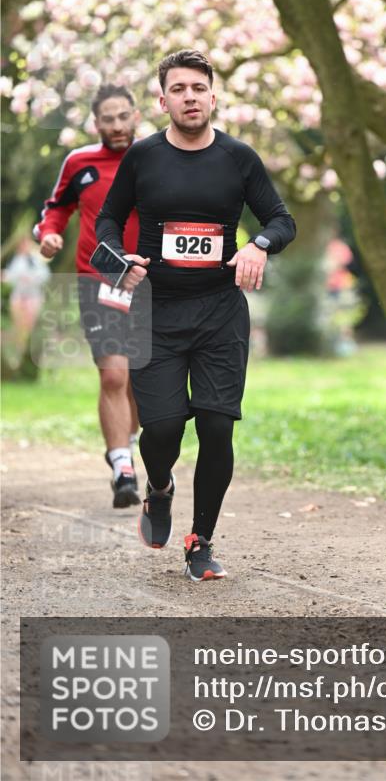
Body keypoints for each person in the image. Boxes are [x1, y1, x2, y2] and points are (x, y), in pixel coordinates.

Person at [96, 49, 296, 582]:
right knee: (161, 428)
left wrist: (258, 245)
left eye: (199, 88)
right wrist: (120, 262)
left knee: (216, 424)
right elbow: (108, 222)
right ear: (163, 101)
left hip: (220, 313)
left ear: (213, 97)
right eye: (179, 89)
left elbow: (281, 220)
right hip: (155, 312)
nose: (190, 97)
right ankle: (159, 486)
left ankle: (200, 541)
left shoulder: (238, 158)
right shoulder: (143, 157)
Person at [34, 84, 143, 508]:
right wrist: (49, 234)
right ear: (96, 123)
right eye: (108, 119)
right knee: (114, 374)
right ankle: (122, 468)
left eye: (123, 117)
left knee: (142, 379)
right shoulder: (80, 162)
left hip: (150, 282)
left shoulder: (156, 157)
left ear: (136, 116)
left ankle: (127, 442)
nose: (116, 126)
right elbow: (56, 207)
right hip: (100, 279)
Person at [2, 235, 50, 365]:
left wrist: (31, 279)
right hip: (18, 296)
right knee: (18, 325)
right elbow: (11, 276)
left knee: (28, 326)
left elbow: (45, 276)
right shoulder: (17, 260)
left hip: (33, 297)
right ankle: (17, 353)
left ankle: (27, 354)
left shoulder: (37, 260)